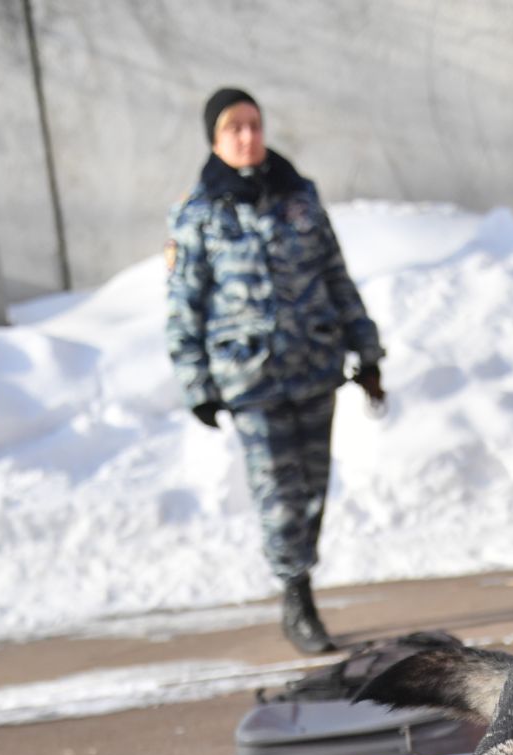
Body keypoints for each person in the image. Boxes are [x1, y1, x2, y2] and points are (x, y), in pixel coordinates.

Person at [165, 88, 385, 654]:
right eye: (233, 128)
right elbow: (185, 304)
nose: (247, 137)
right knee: (279, 493)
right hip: (250, 380)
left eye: (254, 125)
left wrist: (367, 348)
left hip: (313, 364)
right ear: (215, 140)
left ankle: (300, 577)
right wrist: (199, 385)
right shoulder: (200, 214)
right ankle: (296, 596)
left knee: (312, 488)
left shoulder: (299, 197)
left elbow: (336, 276)